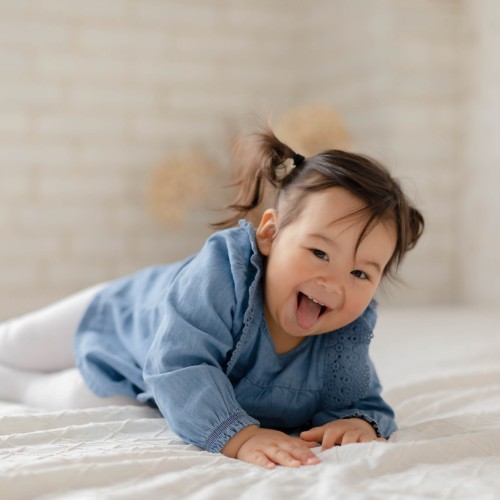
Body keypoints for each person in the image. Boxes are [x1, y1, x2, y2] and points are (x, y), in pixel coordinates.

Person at [0, 127, 424, 469]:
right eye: (319, 252)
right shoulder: (225, 271)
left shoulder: (345, 333)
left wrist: (356, 422)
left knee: (82, 397)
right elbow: (180, 362)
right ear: (271, 234)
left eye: (360, 273)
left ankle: (13, 382)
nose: (334, 283)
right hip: (129, 310)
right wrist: (239, 435)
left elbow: (357, 398)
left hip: (143, 376)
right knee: (19, 340)